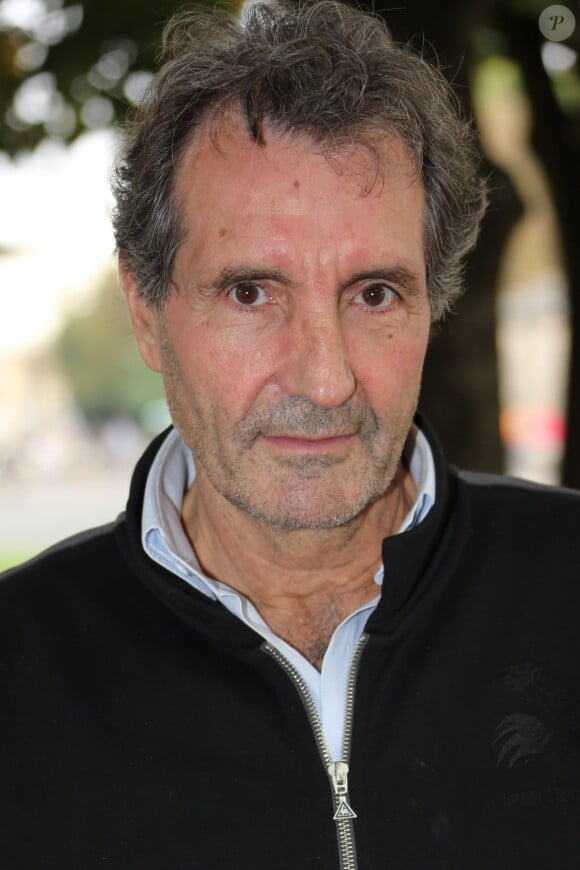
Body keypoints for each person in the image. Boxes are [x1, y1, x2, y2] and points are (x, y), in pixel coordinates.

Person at [1, 1, 580, 867]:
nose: (325, 378)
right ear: (148, 313)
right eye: (250, 294)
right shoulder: (20, 676)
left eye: (375, 294)